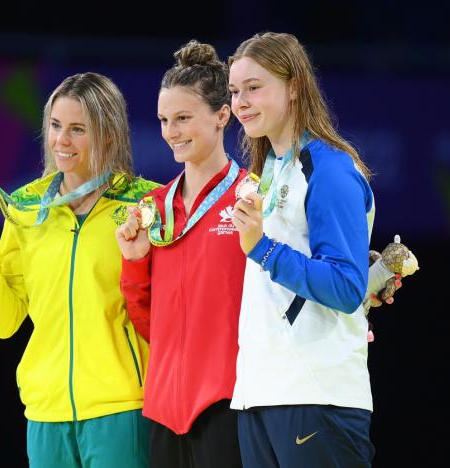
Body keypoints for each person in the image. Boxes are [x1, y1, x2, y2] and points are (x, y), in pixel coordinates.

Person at [0, 72, 157, 468]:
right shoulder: (25, 207)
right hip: (45, 413)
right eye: (56, 126)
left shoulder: (144, 204)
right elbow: (5, 321)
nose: (62, 140)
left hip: (121, 407)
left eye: (78, 129)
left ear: (108, 135)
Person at [228, 32, 379, 467]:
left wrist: (263, 249)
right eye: (236, 91)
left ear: (294, 86)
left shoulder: (328, 169)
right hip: (260, 392)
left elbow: (347, 286)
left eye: (254, 88)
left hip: (316, 394)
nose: (241, 102)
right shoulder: (270, 171)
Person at [115, 41, 246, 468]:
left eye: (184, 118)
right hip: (164, 409)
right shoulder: (154, 208)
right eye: (164, 120)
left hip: (230, 400)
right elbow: (148, 319)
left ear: (222, 115)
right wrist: (134, 261)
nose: (171, 131)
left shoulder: (252, 197)